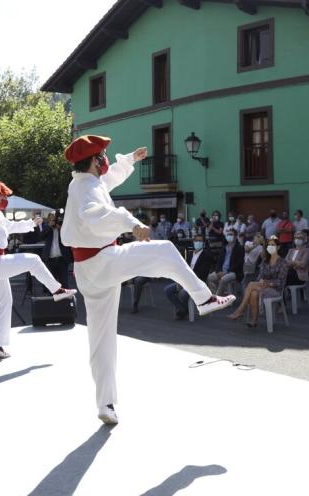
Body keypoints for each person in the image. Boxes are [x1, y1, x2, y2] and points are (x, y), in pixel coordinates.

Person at [60, 135, 235, 425]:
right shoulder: (88, 189)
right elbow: (97, 214)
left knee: (101, 339)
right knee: (165, 250)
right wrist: (133, 224)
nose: (106, 159)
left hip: (86, 270)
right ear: (94, 160)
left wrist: (128, 160)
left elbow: (107, 182)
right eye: (103, 155)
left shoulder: (82, 183)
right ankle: (203, 298)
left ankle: (105, 403)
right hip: (103, 261)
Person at [0, 180, 77, 359]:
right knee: (33, 260)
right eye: (2, 195)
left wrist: (31, 223)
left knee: (4, 302)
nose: (4, 198)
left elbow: (11, 227)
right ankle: (57, 290)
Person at [227, 236, 288, 327]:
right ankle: (253, 319)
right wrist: (262, 281)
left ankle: (241, 311)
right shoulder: (265, 261)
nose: (270, 247)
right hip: (262, 286)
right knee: (254, 292)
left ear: (278, 247)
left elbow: (281, 282)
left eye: (273, 245)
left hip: (275, 289)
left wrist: (268, 283)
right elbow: (260, 277)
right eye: (268, 245)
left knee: (251, 285)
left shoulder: (283, 262)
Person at [164, 233, 214, 320]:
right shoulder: (190, 254)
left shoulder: (207, 256)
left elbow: (203, 274)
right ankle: (183, 309)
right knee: (168, 290)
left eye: (200, 241)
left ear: (203, 243)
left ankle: (181, 311)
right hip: (185, 280)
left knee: (183, 293)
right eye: (196, 240)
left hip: (197, 282)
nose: (197, 242)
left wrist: (187, 280)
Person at [207, 228, 245, 296]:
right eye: (228, 234)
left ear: (235, 236)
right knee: (209, 278)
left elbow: (239, 264)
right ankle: (217, 294)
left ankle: (217, 297)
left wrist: (226, 272)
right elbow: (219, 261)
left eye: (231, 234)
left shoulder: (239, 248)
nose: (229, 236)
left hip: (233, 272)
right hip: (222, 271)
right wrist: (218, 271)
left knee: (223, 279)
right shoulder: (224, 248)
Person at [41, 211, 72, 288]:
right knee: (52, 284)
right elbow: (41, 237)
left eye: (55, 219)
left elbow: (69, 238)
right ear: (49, 220)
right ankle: (52, 299)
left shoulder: (62, 227)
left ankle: (66, 299)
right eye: (52, 219)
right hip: (50, 259)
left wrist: (61, 228)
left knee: (64, 283)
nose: (54, 221)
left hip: (62, 259)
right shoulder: (46, 227)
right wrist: (49, 226)